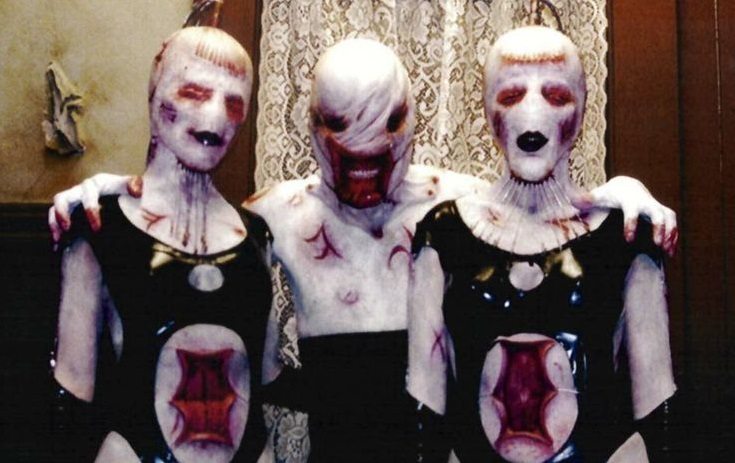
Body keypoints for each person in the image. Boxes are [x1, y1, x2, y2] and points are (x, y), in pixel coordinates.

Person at [49, 38, 677, 462]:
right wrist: (108, 190)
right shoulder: (271, 218)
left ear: (413, 122)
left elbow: (550, 210)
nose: (366, 173)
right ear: (312, 127)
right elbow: (185, 228)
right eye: (344, 138)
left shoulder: (458, 209)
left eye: (386, 137)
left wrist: (625, 192)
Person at [408, 26, 677, 462]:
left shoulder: (625, 236)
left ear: (582, 108)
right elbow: (425, 408)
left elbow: (657, 406)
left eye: (555, 95)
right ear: (486, 108)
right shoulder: (444, 235)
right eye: (512, 94)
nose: (532, 111)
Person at [50, 27, 273, 462]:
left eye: (233, 102)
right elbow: (72, 388)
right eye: (194, 92)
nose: (215, 116)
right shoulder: (98, 223)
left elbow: (266, 374)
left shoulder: (257, 233)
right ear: (155, 97)